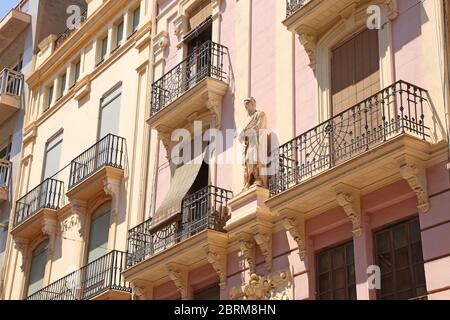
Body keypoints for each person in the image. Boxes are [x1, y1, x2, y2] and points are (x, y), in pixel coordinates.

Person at [238, 97, 268, 190]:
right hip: (248, 143)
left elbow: (259, 127)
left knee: (256, 159)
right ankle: (248, 181)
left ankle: (258, 178)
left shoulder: (260, 114)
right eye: (245, 105)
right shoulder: (246, 120)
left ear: (253, 104)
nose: (246, 106)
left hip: (257, 142)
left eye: (248, 104)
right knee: (248, 161)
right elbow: (241, 136)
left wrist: (247, 132)